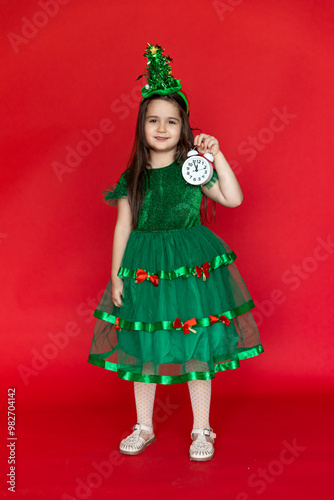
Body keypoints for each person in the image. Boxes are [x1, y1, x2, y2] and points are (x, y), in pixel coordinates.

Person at [87, 43, 264, 461]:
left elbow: (233, 198)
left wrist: (217, 157)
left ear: (182, 126)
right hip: (144, 267)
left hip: (191, 267)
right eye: (153, 121)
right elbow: (122, 227)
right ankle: (144, 425)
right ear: (141, 127)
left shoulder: (193, 167)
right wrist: (116, 275)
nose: (162, 128)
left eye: (171, 121)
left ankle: (202, 429)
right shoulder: (132, 176)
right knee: (145, 344)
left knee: (196, 342)